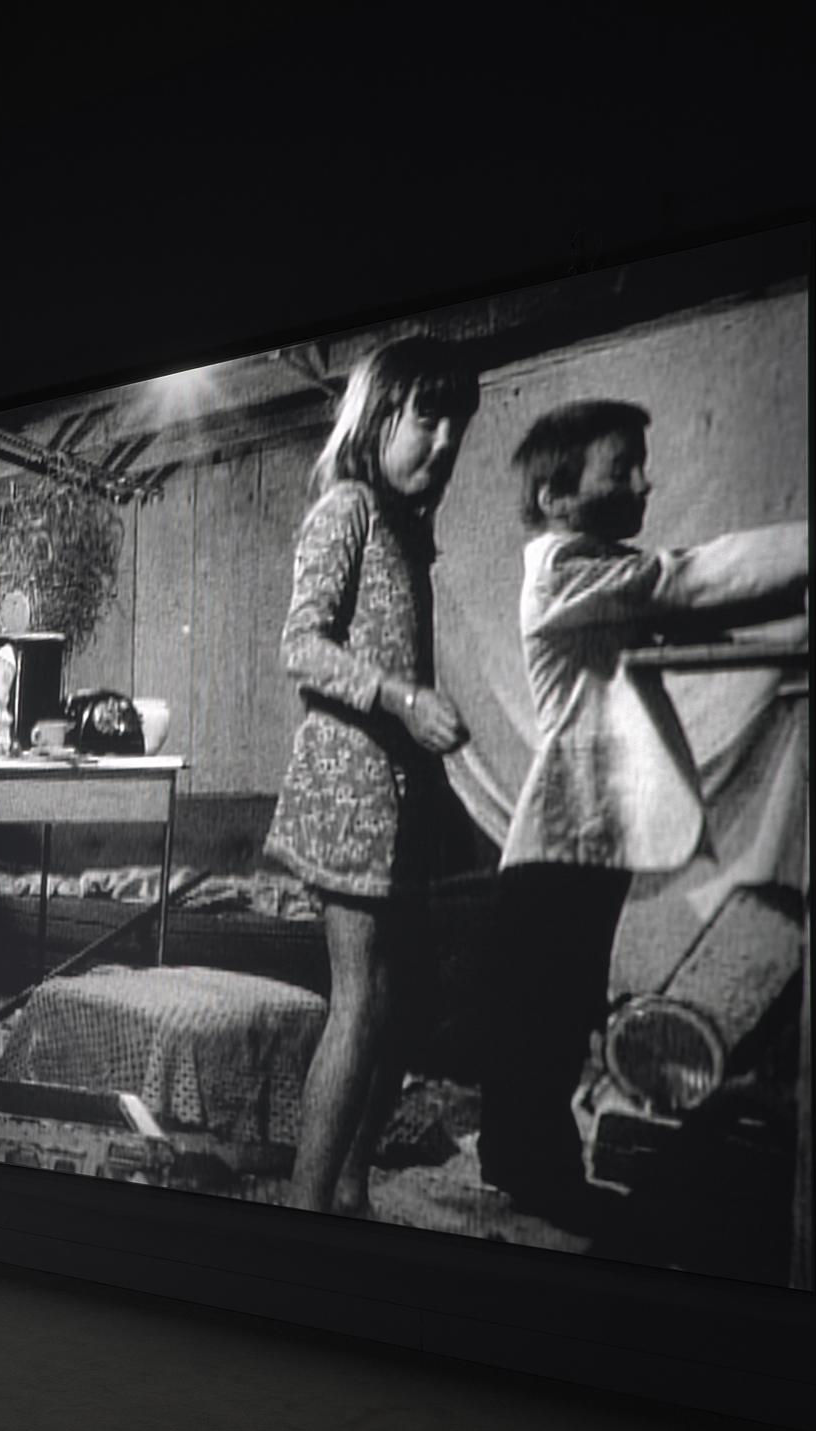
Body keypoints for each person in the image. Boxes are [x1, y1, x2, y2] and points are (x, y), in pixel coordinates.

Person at [478, 399, 808, 1226]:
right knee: (544, 1016)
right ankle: (533, 1172)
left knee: (557, 1007)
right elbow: (682, 579)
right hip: (558, 841)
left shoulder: (599, 574)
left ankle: (524, 1164)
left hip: (591, 839)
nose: (643, 481)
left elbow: (699, 606)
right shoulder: (563, 571)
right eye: (620, 467)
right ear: (556, 496)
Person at [264, 336, 478, 1216]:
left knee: (402, 1000)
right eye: (427, 418)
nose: (444, 443)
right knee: (361, 1001)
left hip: (393, 797)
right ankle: (307, 1205)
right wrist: (400, 698)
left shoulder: (403, 530)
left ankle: (348, 1190)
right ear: (378, 414)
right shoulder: (346, 507)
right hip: (345, 788)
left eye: (456, 425)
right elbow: (300, 646)